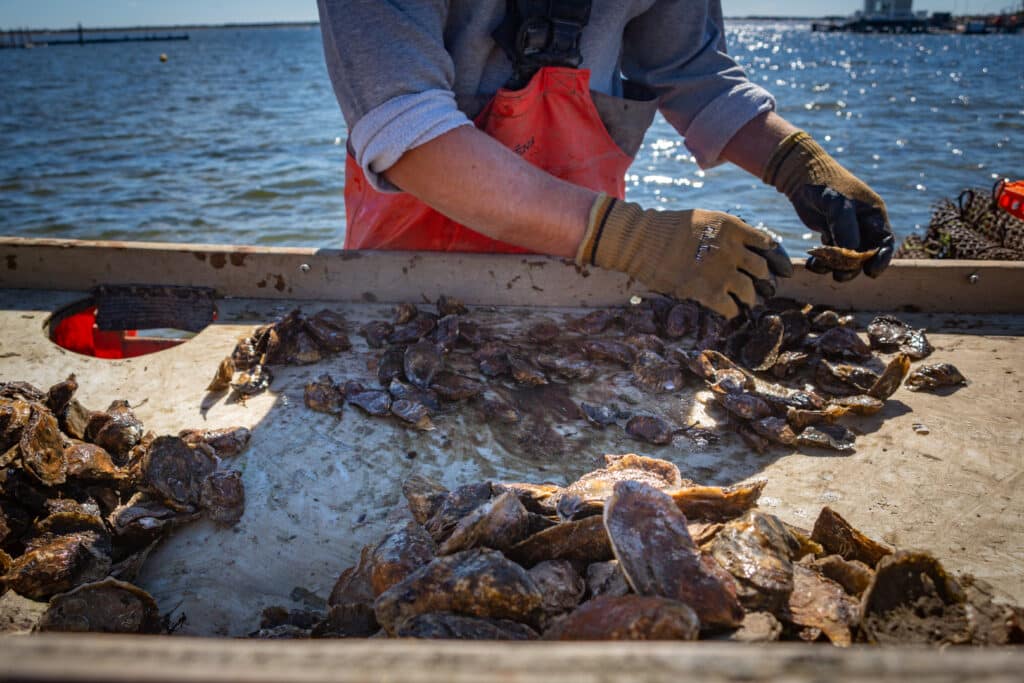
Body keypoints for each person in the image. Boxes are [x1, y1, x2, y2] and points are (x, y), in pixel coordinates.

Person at [317, 1, 895, 318]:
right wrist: (635, 240)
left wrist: (798, 164)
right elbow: (408, 133)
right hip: (407, 286)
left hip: (588, 286)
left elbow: (695, 76)